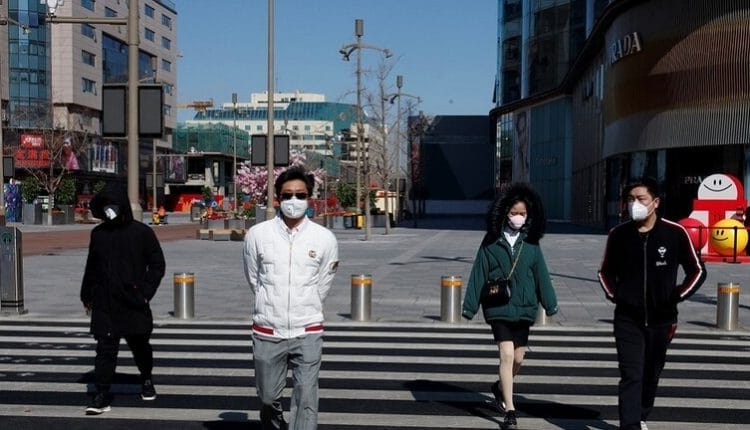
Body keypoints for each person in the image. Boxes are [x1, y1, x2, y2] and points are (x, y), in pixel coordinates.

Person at [598, 179, 706, 430]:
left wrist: (677, 295)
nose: (634, 204)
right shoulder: (619, 234)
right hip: (627, 318)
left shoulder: (674, 233)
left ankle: (642, 414)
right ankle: (630, 425)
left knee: (651, 373)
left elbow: (697, 270)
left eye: (640, 199)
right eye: (630, 199)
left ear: (655, 202)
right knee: (631, 373)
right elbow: (605, 272)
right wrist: (617, 296)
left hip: (662, 319)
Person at [242, 165, 339, 430]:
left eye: (300, 195)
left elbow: (323, 283)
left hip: (307, 329)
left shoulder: (324, 238)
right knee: (267, 397)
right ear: (277, 197)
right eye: (287, 195)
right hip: (267, 329)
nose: (293, 200)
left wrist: (306, 303)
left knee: (306, 397)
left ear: (309, 197)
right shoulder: (257, 235)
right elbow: (254, 279)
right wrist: (268, 302)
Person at [462, 183, 558, 430]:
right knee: (505, 354)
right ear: (505, 212)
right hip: (498, 306)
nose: (518, 217)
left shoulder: (531, 243)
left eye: (522, 213)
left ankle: (499, 387)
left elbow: (541, 274)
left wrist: (550, 303)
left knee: (518, 357)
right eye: (514, 212)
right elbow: (478, 273)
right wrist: (470, 306)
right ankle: (510, 410)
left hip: (524, 308)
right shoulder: (491, 241)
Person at [80, 183, 166, 415]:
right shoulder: (98, 234)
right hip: (105, 302)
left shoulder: (141, 233)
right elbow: (92, 266)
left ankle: (146, 378)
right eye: (105, 206)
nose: (109, 210)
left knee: (140, 346)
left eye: (113, 205)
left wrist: (144, 292)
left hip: (133, 301)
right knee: (105, 350)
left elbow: (157, 264)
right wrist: (86, 294)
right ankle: (101, 394)